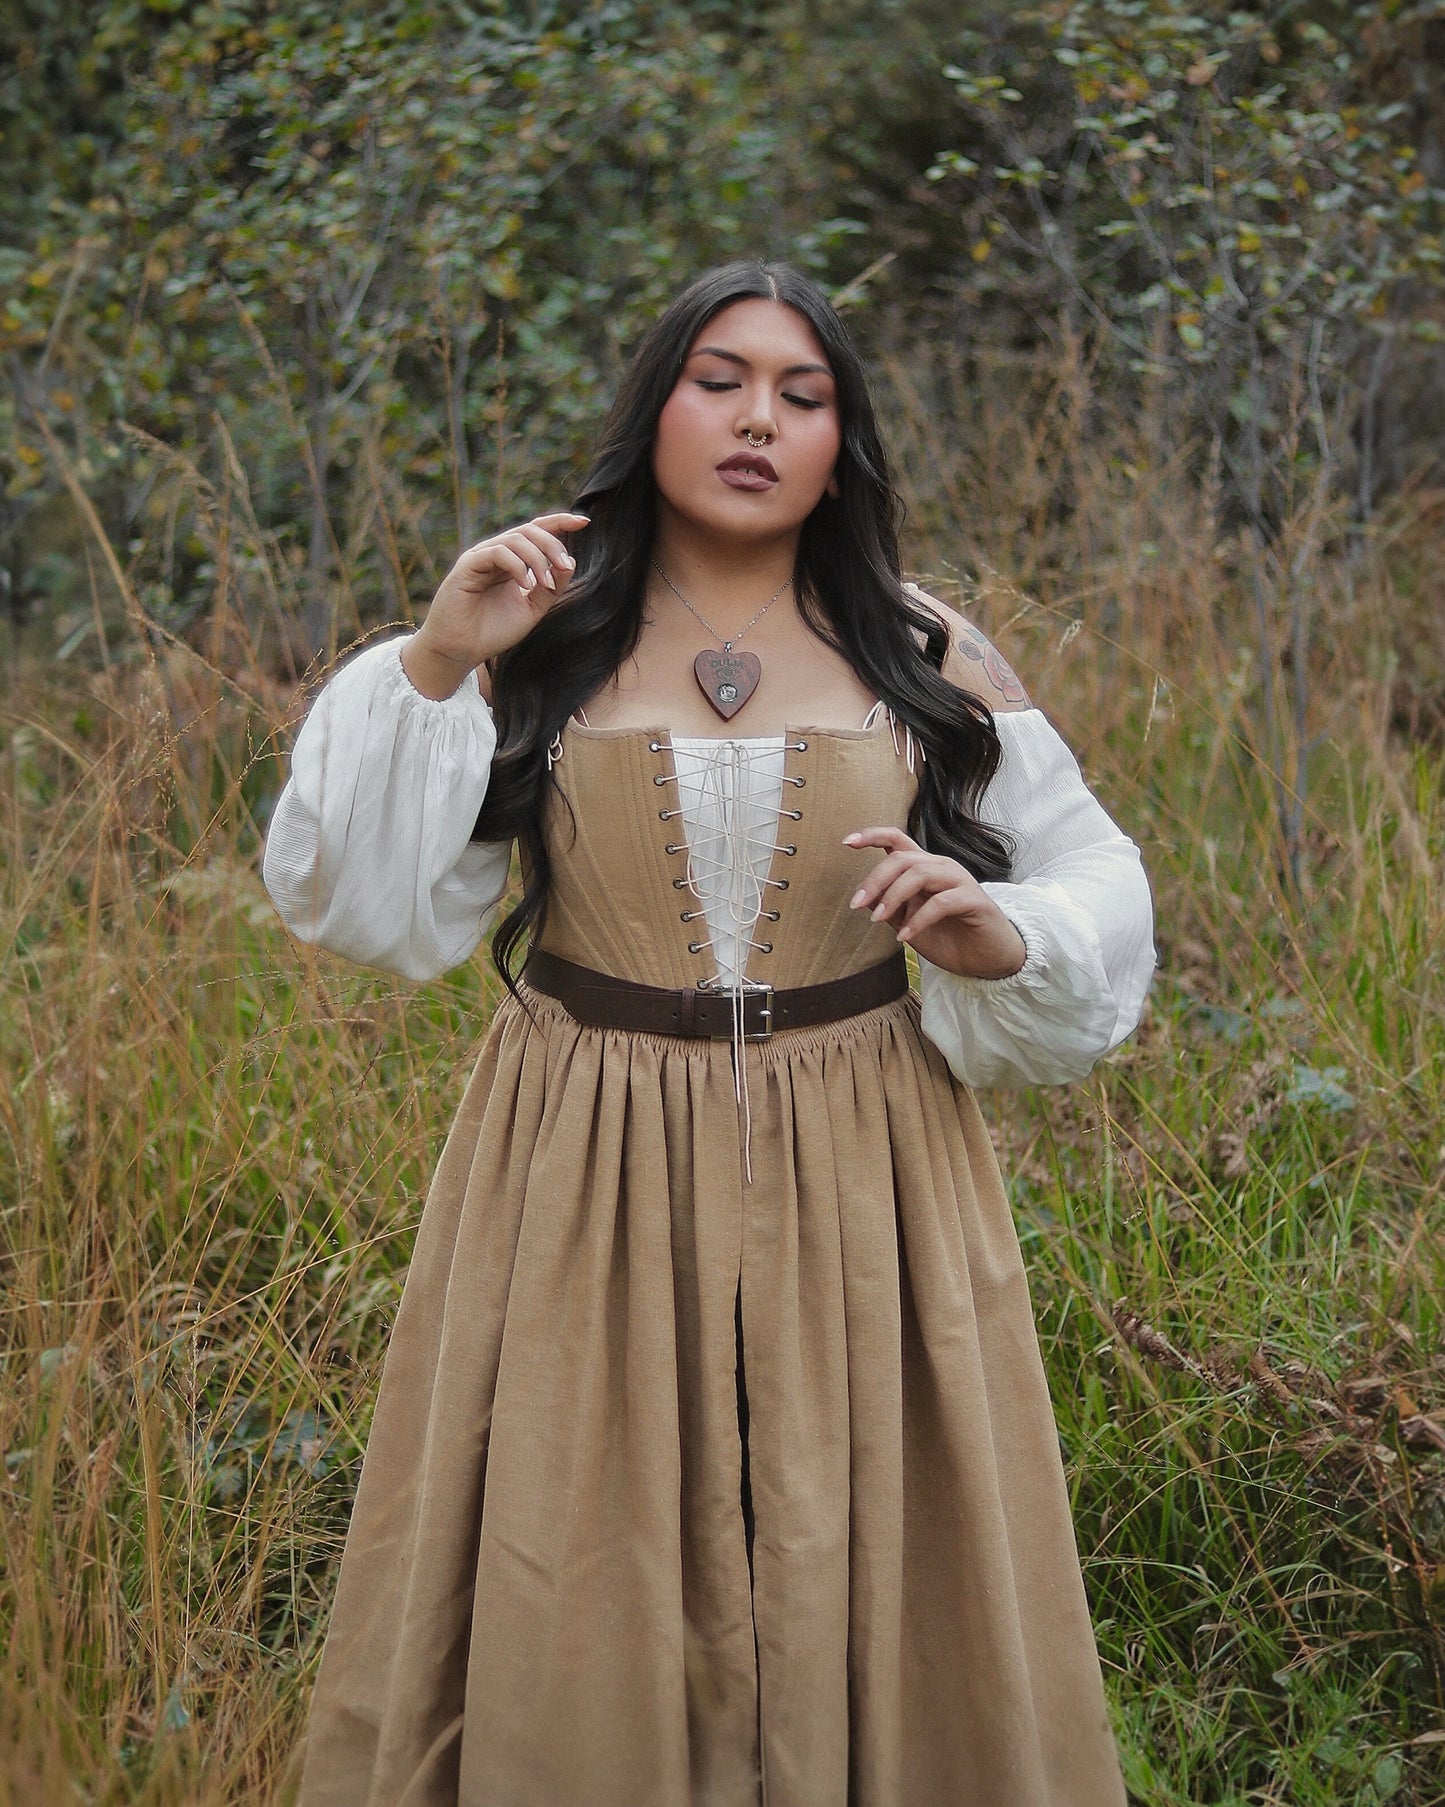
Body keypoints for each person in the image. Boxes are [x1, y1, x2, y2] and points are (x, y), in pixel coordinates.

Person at [263, 259, 1154, 1807]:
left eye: (801, 397)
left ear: (840, 444)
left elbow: (1090, 874)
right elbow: (369, 906)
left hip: (866, 1158)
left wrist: (992, 929)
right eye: (718, 380)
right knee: (571, 1551)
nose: (757, 421)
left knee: (865, 1542)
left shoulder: (919, 649)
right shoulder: (540, 627)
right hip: (580, 1163)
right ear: (654, 408)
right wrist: (437, 655)